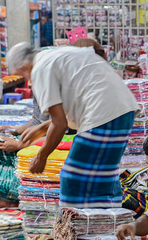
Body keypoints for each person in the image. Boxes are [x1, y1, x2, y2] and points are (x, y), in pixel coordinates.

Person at [24, 44, 139, 208]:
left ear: (23, 66)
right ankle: (109, 224)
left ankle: (74, 229)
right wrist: (43, 128)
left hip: (102, 116)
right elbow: (70, 109)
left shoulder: (40, 68)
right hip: (123, 111)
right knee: (104, 177)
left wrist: (41, 157)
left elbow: (60, 124)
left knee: (72, 178)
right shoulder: (61, 54)